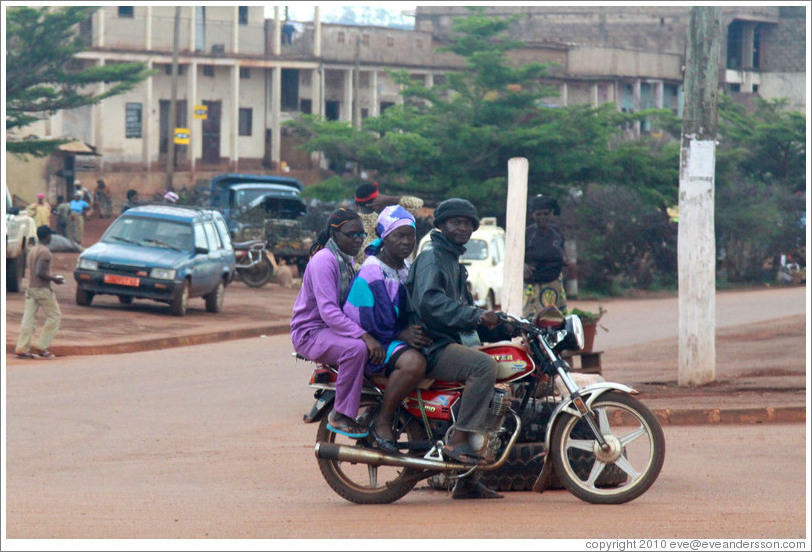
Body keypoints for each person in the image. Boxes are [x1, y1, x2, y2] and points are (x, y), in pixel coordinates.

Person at [406, 197, 512, 499]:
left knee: (499, 379)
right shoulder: (433, 257)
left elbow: (466, 310)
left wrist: (507, 325)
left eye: (467, 223)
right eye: (455, 222)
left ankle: (466, 481)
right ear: (441, 225)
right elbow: (430, 303)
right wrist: (476, 315)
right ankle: (459, 438)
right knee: (484, 366)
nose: (462, 227)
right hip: (431, 344)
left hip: (446, 340)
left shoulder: (452, 260)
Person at [343, 205, 432, 453]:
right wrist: (401, 334)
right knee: (415, 364)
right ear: (385, 238)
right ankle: (384, 418)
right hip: (377, 343)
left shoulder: (405, 266)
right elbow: (366, 320)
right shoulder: (373, 270)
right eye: (399, 236)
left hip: (394, 337)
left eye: (410, 235)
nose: (407, 242)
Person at [290, 207, 384, 438]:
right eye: (351, 234)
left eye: (361, 235)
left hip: (330, 329)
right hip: (310, 332)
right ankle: (340, 414)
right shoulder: (324, 260)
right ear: (334, 234)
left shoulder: (346, 260)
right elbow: (329, 311)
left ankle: (373, 405)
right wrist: (364, 335)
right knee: (356, 349)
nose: (358, 239)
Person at [14, 225, 65, 359]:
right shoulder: (45, 252)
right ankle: (42, 347)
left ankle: (22, 348)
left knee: (28, 319)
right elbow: (40, 272)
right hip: (42, 289)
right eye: (50, 235)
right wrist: (55, 279)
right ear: (47, 236)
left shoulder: (33, 250)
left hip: (31, 289)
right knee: (55, 317)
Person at [353, 181, 424, 266]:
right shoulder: (390, 218)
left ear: (356, 204)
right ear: (379, 199)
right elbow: (418, 203)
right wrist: (390, 199)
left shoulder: (351, 224)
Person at [523, 194, 568, 318]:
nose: (542, 217)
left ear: (551, 214)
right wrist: (523, 265)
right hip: (532, 287)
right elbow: (516, 255)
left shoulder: (557, 232)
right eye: (539, 214)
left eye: (546, 214)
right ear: (533, 215)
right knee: (532, 321)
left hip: (554, 285)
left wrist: (564, 259)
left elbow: (562, 249)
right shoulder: (527, 234)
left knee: (555, 322)